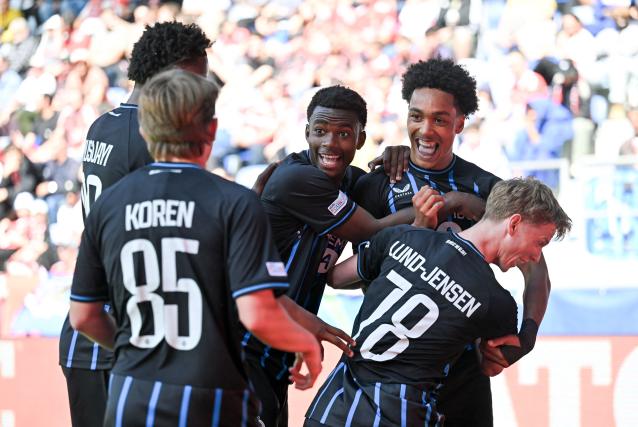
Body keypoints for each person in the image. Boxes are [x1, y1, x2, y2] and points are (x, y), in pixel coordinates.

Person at [68, 69, 322, 426]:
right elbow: (258, 314)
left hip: (131, 397)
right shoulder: (234, 203)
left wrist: (133, 352)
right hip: (211, 397)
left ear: (144, 130)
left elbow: (83, 316)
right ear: (212, 130)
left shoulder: (109, 205)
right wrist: (306, 343)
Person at [352, 58, 554, 426]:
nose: (425, 130)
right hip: (391, 370)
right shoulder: (378, 183)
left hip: (463, 370)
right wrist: (419, 228)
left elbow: (536, 271)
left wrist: (527, 336)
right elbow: (359, 276)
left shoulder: (487, 188)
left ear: (460, 123)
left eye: (440, 120)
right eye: (416, 116)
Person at [305, 178, 572, 426]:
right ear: (513, 224)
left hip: (332, 408)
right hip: (399, 414)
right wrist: (521, 340)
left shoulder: (404, 236)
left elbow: (337, 277)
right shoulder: (497, 302)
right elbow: (491, 364)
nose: (536, 256)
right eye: (540, 242)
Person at [58, 21, 211, 427]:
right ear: (172, 74)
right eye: (197, 81)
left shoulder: (104, 124)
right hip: (121, 334)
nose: (200, 95)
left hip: (94, 331)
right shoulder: (150, 136)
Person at [246, 85, 420, 427]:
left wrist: (398, 156)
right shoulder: (296, 177)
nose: (330, 143)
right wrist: (436, 205)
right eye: (320, 131)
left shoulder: (349, 181)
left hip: (277, 347)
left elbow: (374, 187)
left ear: (360, 139)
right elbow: (371, 229)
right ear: (307, 131)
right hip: (245, 343)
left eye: (343, 134)